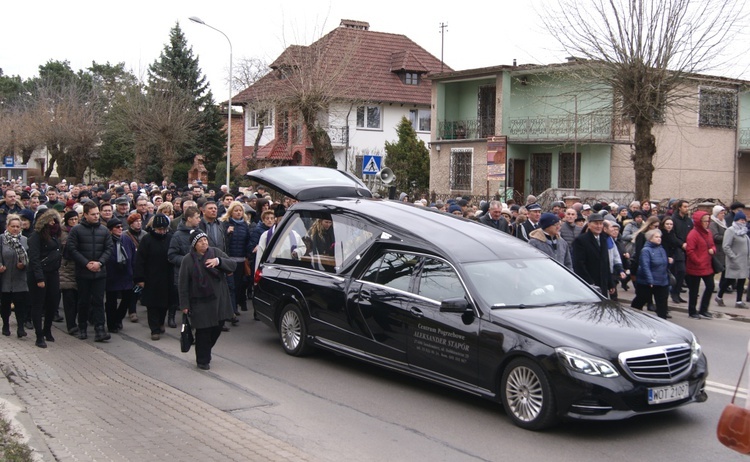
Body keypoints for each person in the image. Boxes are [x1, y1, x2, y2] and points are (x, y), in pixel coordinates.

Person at [178, 230, 236, 370]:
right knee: (203, 331)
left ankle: (204, 349)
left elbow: (232, 265)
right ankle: (202, 360)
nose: (204, 243)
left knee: (217, 327)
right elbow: (183, 283)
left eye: (205, 240)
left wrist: (219, 262)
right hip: (199, 301)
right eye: (200, 241)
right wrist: (184, 304)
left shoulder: (215, 252)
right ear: (194, 245)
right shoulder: (188, 260)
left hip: (219, 299)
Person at [66, 201, 114, 341]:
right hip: (83, 272)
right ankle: (82, 327)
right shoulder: (76, 230)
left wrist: (100, 263)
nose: (96, 217)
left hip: (99, 272)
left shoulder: (104, 230)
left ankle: (100, 328)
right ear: (85, 214)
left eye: (97, 214)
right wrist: (86, 263)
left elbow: (108, 248)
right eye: (93, 214)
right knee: (83, 301)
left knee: (99, 301)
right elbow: (72, 249)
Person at [134, 214, 175, 340]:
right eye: (159, 229)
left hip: (167, 276)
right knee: (152, 305)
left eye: (164, 229)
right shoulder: (147, 240)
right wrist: (139, 278)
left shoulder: (170, 238)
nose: (162, 232)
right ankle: (154, 329)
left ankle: (161, 322)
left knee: (164, 303)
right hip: (151, 277)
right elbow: (140, 260)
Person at [26, 209, 63, 348]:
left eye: (55, 220)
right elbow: (34, 259)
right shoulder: (36, 236)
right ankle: (39, 335)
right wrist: (39, 278)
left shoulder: (55, 235)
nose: (54, 223)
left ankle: (47, 329)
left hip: (53, 273)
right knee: (38, 304)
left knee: (53, 302)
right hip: (38, 274)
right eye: (51, 220)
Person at [221, 201, 253, 318]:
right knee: (231, 286)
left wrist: (249, 253)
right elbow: (223, 241)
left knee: (239, 286)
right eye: (236, 210)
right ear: (231, 212)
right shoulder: (225, 224)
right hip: (229, 259)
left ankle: (234, 307)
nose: (239, 212)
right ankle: (232, 310)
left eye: (240, 210)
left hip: (241, 260)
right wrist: (227, 233)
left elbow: (248, 241)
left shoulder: (245, 225)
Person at [104, 218, 136, 333]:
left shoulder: (126, 239)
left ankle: (118, 318)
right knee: (111, 300)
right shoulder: (106, 240)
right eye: (117, 227)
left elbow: (133, 255)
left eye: (121, 227)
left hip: (126, 273)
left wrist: (133, 270)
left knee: (127, 298)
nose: (120, 229)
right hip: (112, 274)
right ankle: (111, 323)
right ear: (110, 229)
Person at [0, 214, 29, 338]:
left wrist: (24, 264)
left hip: (20, 278)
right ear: (8, 226)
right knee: (5, 304)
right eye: (13, 226)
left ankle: (21, 327)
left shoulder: (24, 240)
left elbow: (28, 258)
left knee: (20, 304)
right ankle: (5, 324)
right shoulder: (2, 239)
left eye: (18, 226)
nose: (15, 229)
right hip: (5, 277)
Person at [631, 229, 670, 319]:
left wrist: (669, 262)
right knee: (641, 299)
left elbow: (664, 264)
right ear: (650, 239)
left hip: (662, 281)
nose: (659, 239)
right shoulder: (646, 250)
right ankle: (633, 315)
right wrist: (650, 280)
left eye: (660, 237)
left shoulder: (661, 249)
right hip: (647, 282)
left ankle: (662, 320)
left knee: (662, 303)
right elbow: (645, 266)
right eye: (656, 237)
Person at [572, 212, 613, 296]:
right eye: (596, 223)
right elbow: (579, 264)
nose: (598, 226)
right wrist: (589, 282)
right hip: (590, 283)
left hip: (602, 283)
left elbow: (606, 262)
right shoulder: (581, 240)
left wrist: (610, 282)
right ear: (589, 225)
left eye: (601, 224)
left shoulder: (603, 238)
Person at [685, 211, 716, 320]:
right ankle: (692, 311)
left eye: (708, 220)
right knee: (694, 290)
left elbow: (712, 245)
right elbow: (690, 250)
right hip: (695, 266)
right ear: (699, 221)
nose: (707, 223)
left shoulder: (708, 232)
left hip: (707, 266)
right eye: (705, 221)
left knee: (711, 286)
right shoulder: (693, 234)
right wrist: (698, 261)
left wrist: (713, 249)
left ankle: (704, 309)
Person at [716, 210, 750, 308]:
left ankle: (739, 301)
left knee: (742, 280)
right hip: (734, 261)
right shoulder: (730, 230)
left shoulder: (744, 231)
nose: (743, 221)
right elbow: (726, 246)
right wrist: (733, 257)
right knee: (729, 280)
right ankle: (719, 296)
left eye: (744, 219)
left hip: (744, 261)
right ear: (736, 220)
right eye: (740, 219)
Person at [60, 211, 79, 335]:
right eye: (71, 219)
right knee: (68, 298)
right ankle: (71, 324)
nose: (73, 221)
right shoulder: (61, 233)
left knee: (78, 298)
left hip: (78, 267)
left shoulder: (79, 230)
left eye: (76, 219)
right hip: (65, 268)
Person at [670, 200, 692, 304]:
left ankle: (677, 293)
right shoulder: (673, 219)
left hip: (687, 249)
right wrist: (681, 244)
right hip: (677, 249)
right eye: (685, 207)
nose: (687, 209)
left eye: (687, 207)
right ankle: (674, 293)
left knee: (683, 273)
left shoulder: (688, 221)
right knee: (679, 271)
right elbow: (672, 235)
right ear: (679, 207)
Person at [709, 205, 730, 294]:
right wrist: (728, 237)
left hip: (723, 251)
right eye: (721, 213)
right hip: (717, 250)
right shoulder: (713, 223)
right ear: (716, 214)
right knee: (714, 269)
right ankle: (710, 285)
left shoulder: (723, 223)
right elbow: (715, 237)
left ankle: (723, 286)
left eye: (724, 213)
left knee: (725, 270)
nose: (723, 215)